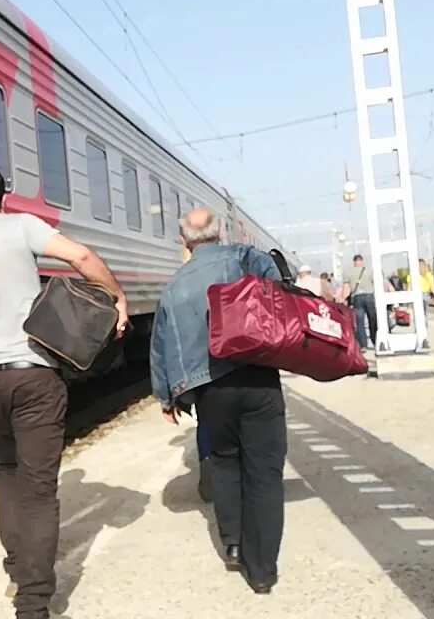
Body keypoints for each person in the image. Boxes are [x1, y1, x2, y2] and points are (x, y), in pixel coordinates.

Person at [0, 163, 128, 619]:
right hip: (31, 373)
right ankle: (33, 603)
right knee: (38, 489)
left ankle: (18, 569)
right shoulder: (21, 226)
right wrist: (116, 297)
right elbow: (80, 258)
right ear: (4, 198)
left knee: (6, 470)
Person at [150, 208, 287, 594]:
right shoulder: (245, 257)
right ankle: (262, 570)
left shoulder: (174, 286)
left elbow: (159, 345)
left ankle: (233, 544)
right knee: (264, 471)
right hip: (257, 378)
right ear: (220, 231)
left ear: (184, 241)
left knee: (224, 464)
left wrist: (166, 396)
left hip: (210, 389)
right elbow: (278, 285)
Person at [341, 254, 376, 352]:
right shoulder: (369, 271)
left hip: (357, 298)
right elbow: (375, 282)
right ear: (362, 261)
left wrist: (344, 299)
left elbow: (346, 287)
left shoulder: (348, 272)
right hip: (370, 297)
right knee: (372, 319)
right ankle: (375, 340)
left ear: (354, 262)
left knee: (360, 322)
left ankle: (363, 344)